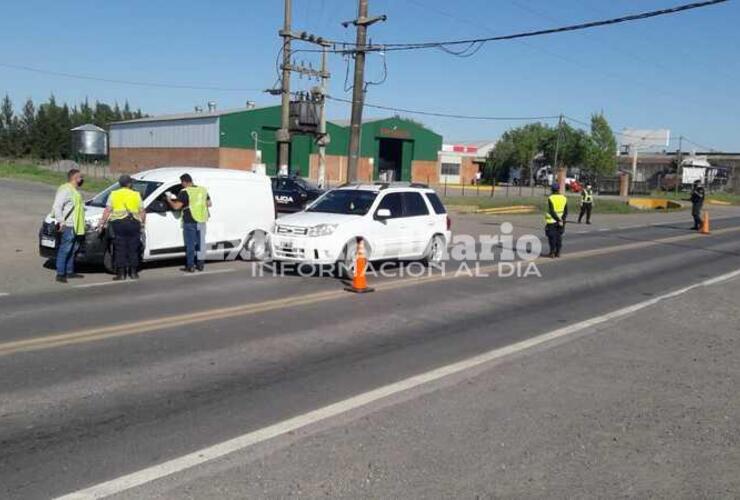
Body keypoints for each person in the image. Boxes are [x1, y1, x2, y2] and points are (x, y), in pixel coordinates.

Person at [101, 175, 145, 280]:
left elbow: (108, 210)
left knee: (120, 248)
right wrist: (142, 225)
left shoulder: (114, 194)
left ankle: (121, 274)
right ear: (129, 184)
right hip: (133, 223)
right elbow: (142, 211)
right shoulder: (136, 194)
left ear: (120, 184)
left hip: (118, 224)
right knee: (133, 248)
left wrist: (102, 223)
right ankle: (133, 273)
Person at [167, 173, 211, 272]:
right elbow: (209, 203)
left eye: (181, 183)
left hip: (190, 220)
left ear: (184, 182)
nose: (182, 185)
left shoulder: (185, 192)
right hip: (202, 220)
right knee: (201, 244)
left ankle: (190, 266)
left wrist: (169, 200)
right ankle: (200, 265)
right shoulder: (202, 190)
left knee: (190, 244)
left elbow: (176, 207)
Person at [51, 169, 86, 283]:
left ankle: (70, 271)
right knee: (65, 249)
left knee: (71, 250)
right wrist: (61, 221)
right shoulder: (66, 190)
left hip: (76, 225)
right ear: (74, 178)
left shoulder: (74, 191)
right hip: (69, 225)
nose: (82, 180)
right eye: (80, 177)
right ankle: (60, 274)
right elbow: (57, 206)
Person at [545, 183, 568, 258]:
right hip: (561, 221)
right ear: (558, 189)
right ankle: (558, 252)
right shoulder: (564, 198)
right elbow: (566, 211)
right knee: (559, 237)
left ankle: (552, 252)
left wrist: (558, 219)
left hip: (552, 221)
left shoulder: (551, 198)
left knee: (552, 237)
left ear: (552, 190)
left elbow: (552, 211)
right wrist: (562, 220)